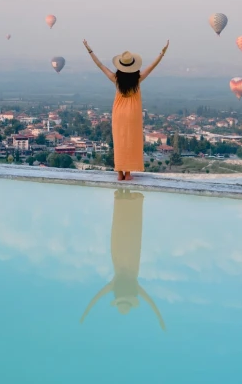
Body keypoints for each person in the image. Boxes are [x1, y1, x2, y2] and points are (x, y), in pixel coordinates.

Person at [83, 38, 168, 181]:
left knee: (120, 141)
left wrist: (89, 49)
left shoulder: (116, 79)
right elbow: (152, 66)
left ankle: (119, 172)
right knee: (131, 141)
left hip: (119, 113)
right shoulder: (137, 79)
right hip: (133, 114)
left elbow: (100, 65)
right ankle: (128, 173)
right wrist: (162, 53)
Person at [80, 189, 165, 330]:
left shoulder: (119, 285)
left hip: (124, 248)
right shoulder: (125, 285)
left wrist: (86, 313)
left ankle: (124, 198)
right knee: (128, 228)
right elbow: (150, 302)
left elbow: (96, 298)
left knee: (126, 227)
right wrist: (160, 319)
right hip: (127, 249)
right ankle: (124, 198)